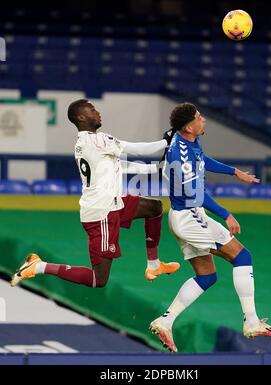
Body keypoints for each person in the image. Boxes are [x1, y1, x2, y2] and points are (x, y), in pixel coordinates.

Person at [149, 102, 271, 352]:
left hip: (183, 216)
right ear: (189, 126)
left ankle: (165, 321)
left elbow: (203, 160)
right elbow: (197, 193)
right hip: (191, 217)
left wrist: (234, 172)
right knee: (242, 256)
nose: (204, 120)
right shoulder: (180, 154)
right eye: (199, 117)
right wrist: (227, 214)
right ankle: (252, 322)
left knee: (207, 276)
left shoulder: (189, 140)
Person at [10, 99, 180, 289]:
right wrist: (166, 141)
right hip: (102, 214)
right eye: (92, 110)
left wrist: (154, 168)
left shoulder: (83, 144)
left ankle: (154, 265)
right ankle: (39, 266)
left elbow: (118, 165)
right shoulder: (98, 140)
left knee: (154, 207)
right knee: (98, 280)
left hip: (112, 203)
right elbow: (137, 150)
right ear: (81, 117)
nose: (98, 112)